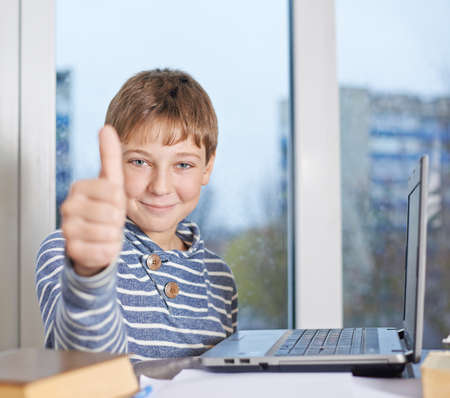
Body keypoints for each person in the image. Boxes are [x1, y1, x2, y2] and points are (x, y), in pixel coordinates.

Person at [35, 69, 238, 362]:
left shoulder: (221, 279)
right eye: (139, 161)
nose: (160, 187)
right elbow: (86, 368)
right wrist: (90, 276)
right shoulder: (70, 253)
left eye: (183, 165)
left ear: (207, 167)